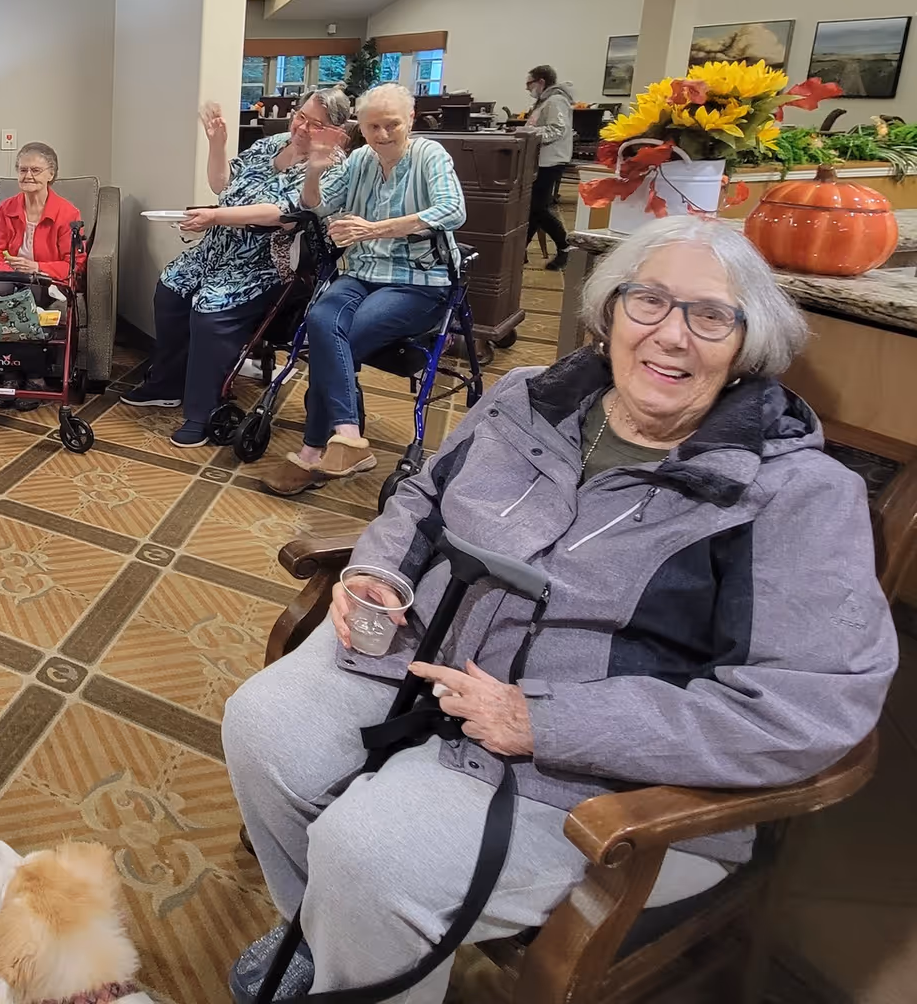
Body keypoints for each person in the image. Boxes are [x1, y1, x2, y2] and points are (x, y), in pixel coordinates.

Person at [222, 216, 895, 1004]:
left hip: (587, 764)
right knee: (265, 725)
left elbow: (809, 706)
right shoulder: (524, 399)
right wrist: (380, 572)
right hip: (429, 655)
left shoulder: (795, 495)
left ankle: (356, 938)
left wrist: (548, 723)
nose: (671, 336)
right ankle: (327, 929)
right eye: (647, 302)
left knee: (372, 849)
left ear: (748, 345)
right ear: (609, 314)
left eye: (711, 315)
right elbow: (423, 496)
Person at [263, 81, 466, 497]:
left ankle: (311, 451)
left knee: (340, 339)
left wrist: (375, 229)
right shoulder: (360, 160)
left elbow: (453, 210)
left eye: (391, 124)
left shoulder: (429, 155)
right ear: (363, 128)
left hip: (418, 282)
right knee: (320, 318)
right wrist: (315, 171)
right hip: (360, 273)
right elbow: (316, 205)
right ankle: (350, 438)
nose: (383, 134)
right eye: (373, 127)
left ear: (410, 119)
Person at [123, 89, 351, 448]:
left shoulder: (334, 167)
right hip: (219, 248)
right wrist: (218, 144)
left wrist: (214, 217)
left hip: (268, 262)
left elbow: (282, 214)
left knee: (210, 306)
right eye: (301, 116)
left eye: (316, 124)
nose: (302, 126)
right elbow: (222, 185)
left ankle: (202, 411)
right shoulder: (274, 143)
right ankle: (167, 382)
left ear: (336, 132)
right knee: (171, 286)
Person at [0, 142, 82, 410]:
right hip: (11, 278)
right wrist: (14, 271)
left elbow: (74, 263)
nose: (28, 176)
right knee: (3, 291)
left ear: (51, 173)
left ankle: (32, 377)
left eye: (36, 170)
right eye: (23, 169)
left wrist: (37, 267)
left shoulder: (67, 213)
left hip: (46, 279)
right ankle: (14, 374)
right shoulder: (6, 208)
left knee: (25, 293)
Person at [523, 64, 574, 270]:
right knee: (534, 209)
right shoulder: (545, 101)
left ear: (541, 81)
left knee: (537, 208)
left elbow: (557, 129)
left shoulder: (556, 100)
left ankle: (565, 246)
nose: (527, 88)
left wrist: (528, 135)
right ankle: (519, 250)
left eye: (529, 83)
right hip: (541, 161)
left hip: (550, 161)